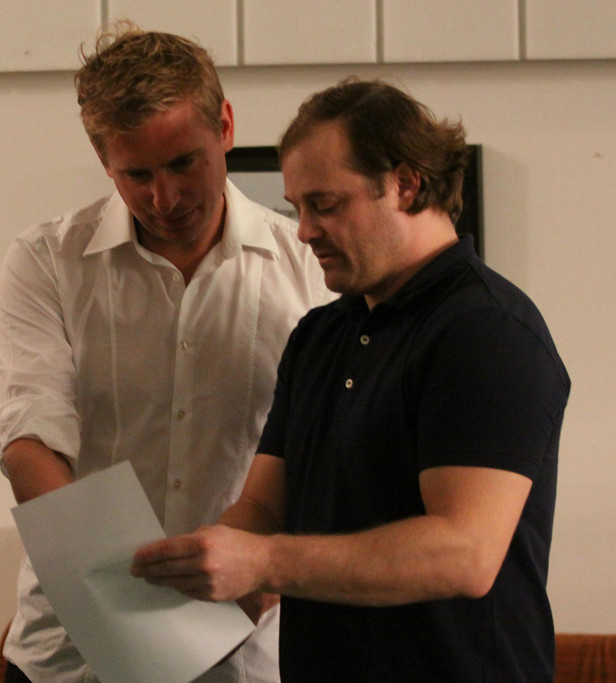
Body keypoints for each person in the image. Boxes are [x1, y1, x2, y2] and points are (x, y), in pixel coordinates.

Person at [131, 77, 571, 681]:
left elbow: (463, 553)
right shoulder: (319, 336)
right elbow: (263, 507)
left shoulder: (487, 331)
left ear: (406, 184)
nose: (304, 230)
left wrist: (262, 562)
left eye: (326, 204)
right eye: (297, 208)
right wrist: (192, 570)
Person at [0, 23, 332, 683]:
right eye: (138, 174)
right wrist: (125, 615)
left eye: (183, 164)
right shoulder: (46, 261)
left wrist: (248, 597)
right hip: (73, 650)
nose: (165, 197)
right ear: (104, 160)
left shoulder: (310, 268)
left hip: (246, 651)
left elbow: (324, 459)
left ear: (225, 127)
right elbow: (29, 438)